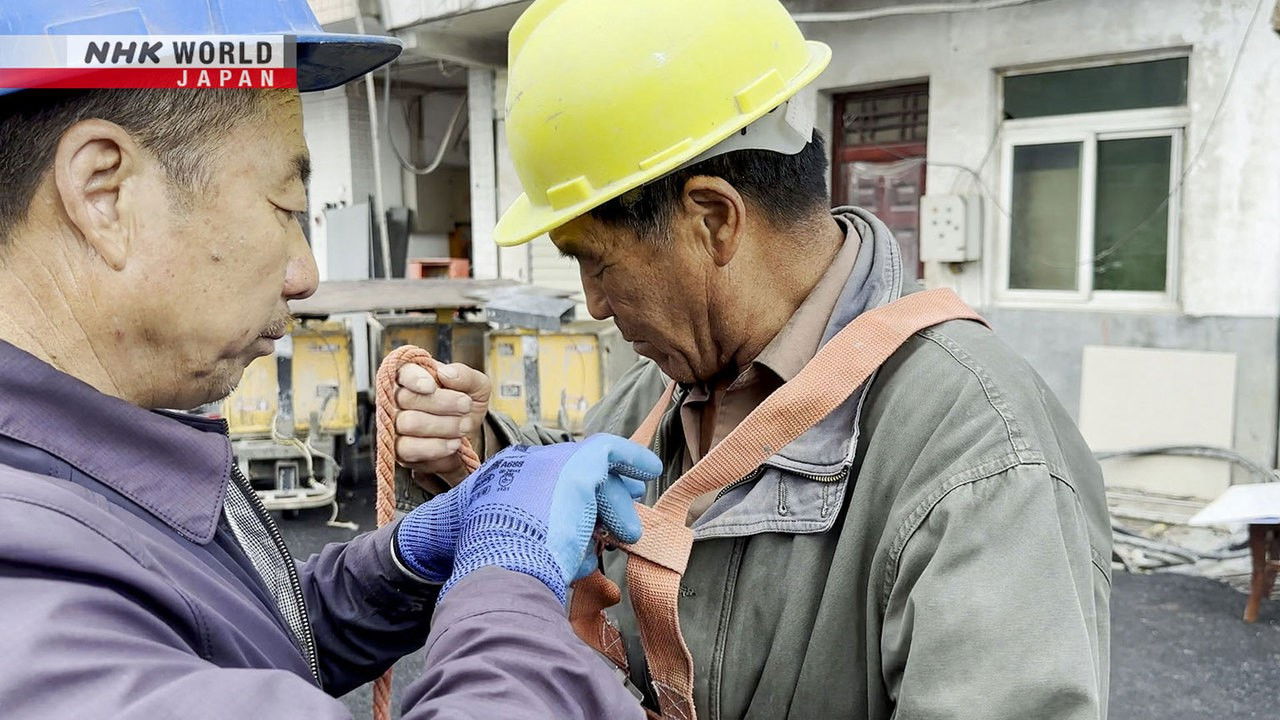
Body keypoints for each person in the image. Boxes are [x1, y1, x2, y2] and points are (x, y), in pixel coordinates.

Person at [392, 0, 1113, 718]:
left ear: (713, 220)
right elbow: (587, 478)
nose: (596, 305)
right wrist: (478, 451)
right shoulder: (666, 388)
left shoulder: (982, 458)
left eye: (596, 261)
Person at [0, 1, 650, 718]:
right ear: (104, 191)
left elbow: (232, 643)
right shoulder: (24, 595)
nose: (305, 274)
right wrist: (507, 582)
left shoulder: (78, 482)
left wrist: (407, 561)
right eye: (285, 207)